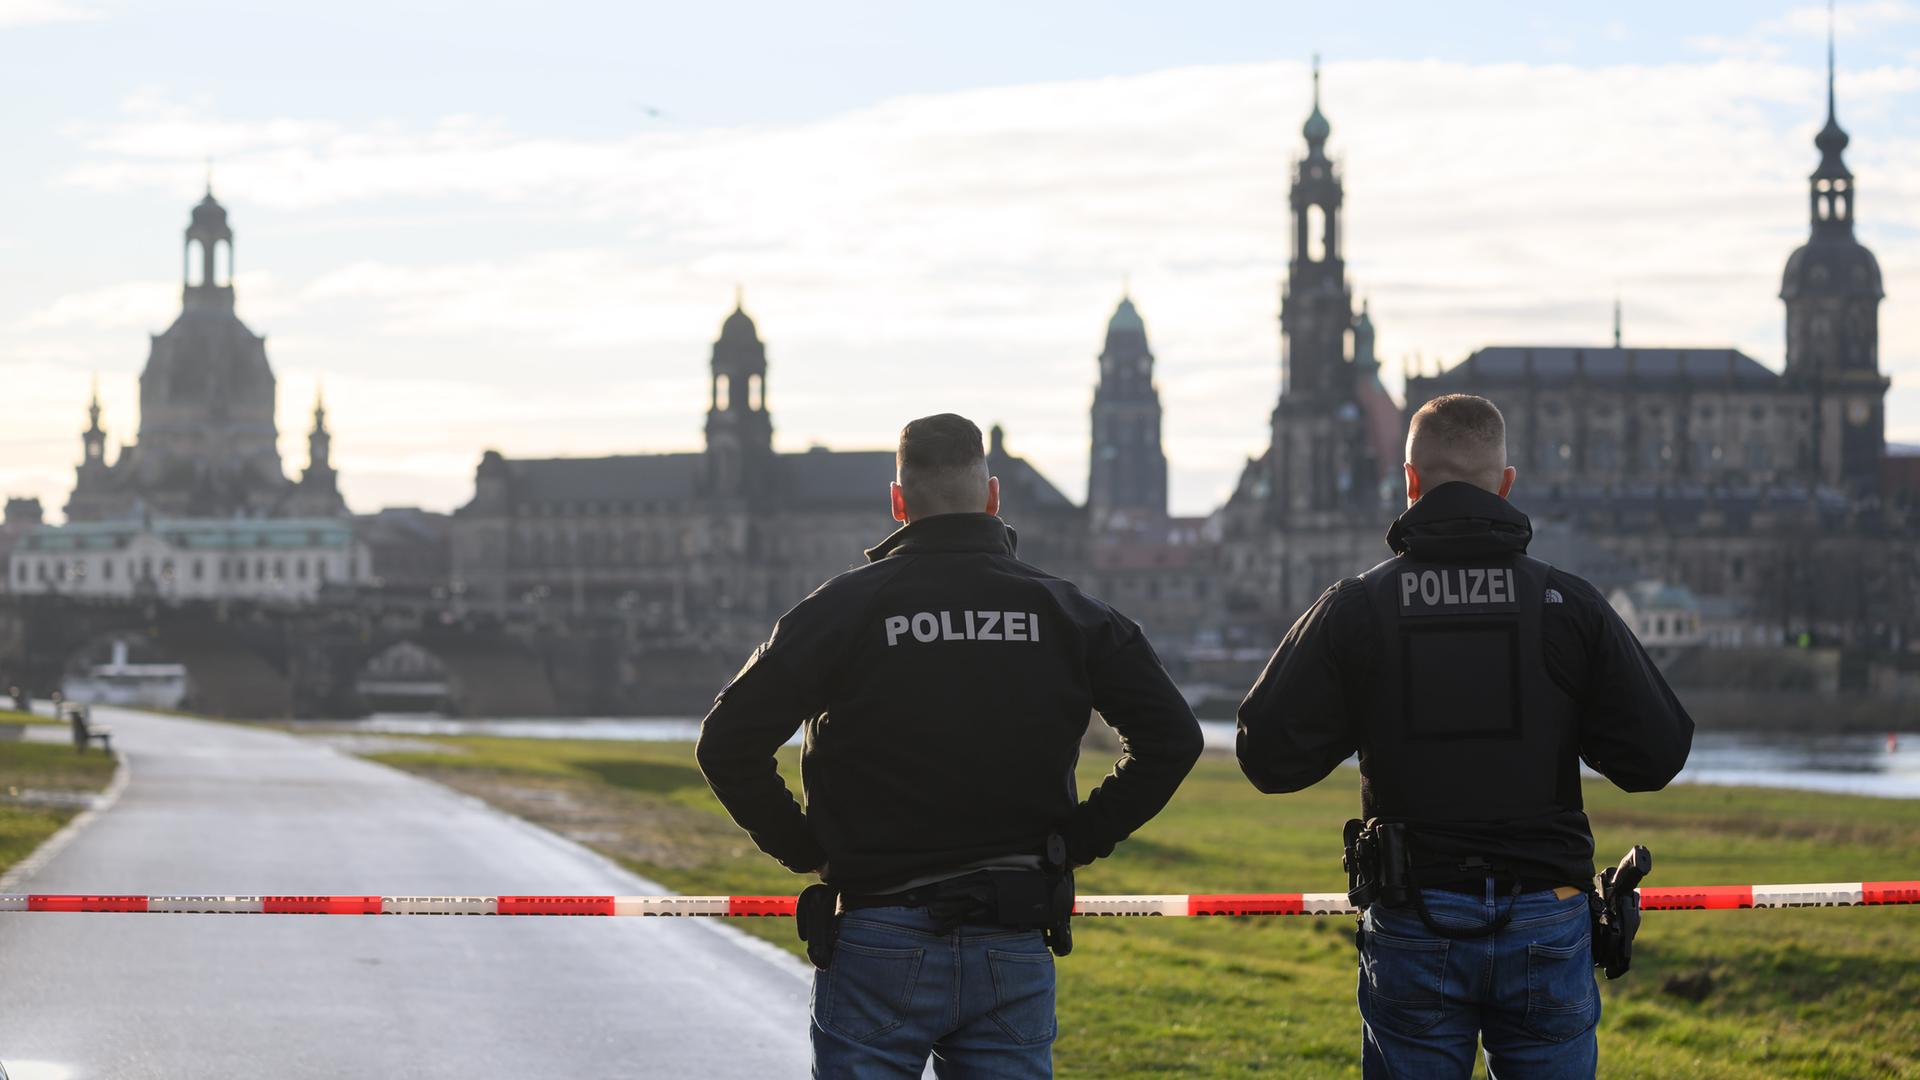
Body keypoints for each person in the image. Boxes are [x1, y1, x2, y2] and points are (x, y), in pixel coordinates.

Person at [697, 412, 1203, 1079]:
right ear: (993, 498)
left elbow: (727, 743)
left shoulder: (843, 608)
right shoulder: (1067, 611)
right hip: (1013, 927)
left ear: (899, 503)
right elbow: (1173, 739)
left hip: (878, 929)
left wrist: (806, 847)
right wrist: (1071, 843)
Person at [1236, 393, 1693, 1079]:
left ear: (1410, 481)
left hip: (1415, 913)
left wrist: (1359, 714)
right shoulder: (1565, 604)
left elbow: (1266, 754)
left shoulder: (1360, 606)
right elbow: (1657, 753)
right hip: (1547, 910)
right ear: (1505, 484)